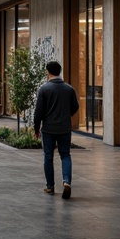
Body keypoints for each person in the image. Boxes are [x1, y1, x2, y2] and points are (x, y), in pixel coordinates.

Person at [33, 60, 80, 200]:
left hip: (48, 129)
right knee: (65, 155)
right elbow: (75, 106)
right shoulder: (69, 89)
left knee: (48, 156)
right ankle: (66, 182)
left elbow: (38, 112)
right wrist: (67, 115)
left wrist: (36, 129)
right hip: (64, 128)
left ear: (48, 72)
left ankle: (50, 187)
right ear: (59, 72)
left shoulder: (44, 89)